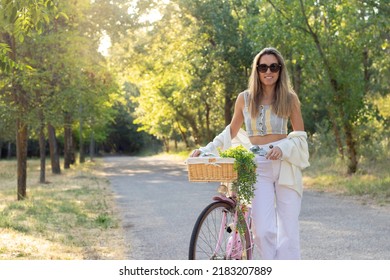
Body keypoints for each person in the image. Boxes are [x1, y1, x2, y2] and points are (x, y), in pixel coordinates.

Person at [190, 47, 310, 260]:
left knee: (288, 230)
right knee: (263, 231)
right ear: (256, 70)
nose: (268, 71)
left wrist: (282, 148)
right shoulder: (244, 99)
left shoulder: (290, 99)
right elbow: (230, 133)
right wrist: (207, 149)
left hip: (285, 166)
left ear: (280, 70)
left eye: (273, 66)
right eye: (263, 67)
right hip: (257, 167)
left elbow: (300, 136)